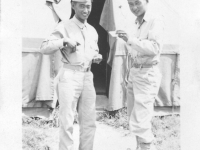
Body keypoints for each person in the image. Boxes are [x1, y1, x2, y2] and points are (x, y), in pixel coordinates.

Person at [40, 0, 102, 149]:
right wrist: (64, 41)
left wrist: (96, 56)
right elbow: (44, 47)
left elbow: (94, 51)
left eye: (88, 6)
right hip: (69, 75)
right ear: (73, 5)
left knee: (89, 122)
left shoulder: (92, 30)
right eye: (82, 6)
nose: (86, 10)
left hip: (87, 76)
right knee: (67, 122)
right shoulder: (64, 26)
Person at [117, 0, 164, 150]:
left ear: (147, 1)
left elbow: (154, 48)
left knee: (141, 120)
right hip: (135, 71)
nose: (134, 8)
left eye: (137, 3)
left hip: (147, 73)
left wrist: (130, 40)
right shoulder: (135, 23)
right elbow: (134, 50)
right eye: (130, 4)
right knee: (134, 116)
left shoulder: (155, 20)